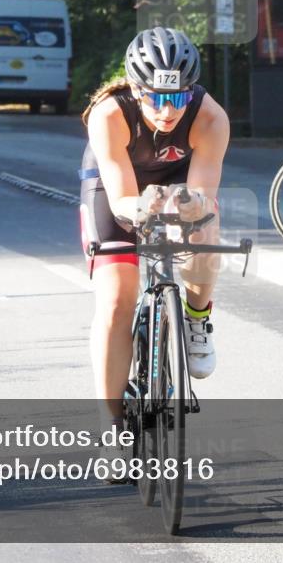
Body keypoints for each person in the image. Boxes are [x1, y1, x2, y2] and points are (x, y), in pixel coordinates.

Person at [79, 26, 230, 453]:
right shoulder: (109, 113)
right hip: (117, 189)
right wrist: (144, 209)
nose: (168, 111)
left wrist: (186, 208)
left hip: (178, 182)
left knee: (205, 223)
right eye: (156, 98)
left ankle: (196, 318)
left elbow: (203, 196)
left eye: (178, 97)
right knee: (115, 299)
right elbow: (122, 197)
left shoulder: (211, 118)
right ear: (135, 88)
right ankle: (112, 428)